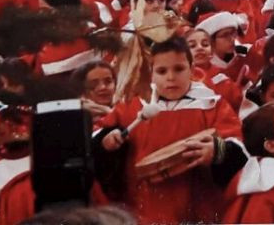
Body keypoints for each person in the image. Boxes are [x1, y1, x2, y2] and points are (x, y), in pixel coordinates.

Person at [95, 37, 246, 224]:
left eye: (179, 69)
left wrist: (217, 151)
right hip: (143, 205)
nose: (171, 77)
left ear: (192, 69)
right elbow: (99, 133)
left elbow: (237, 144)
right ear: (150, 73)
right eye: (162, 71)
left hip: (198, 204)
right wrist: (107, 140)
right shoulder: (132, 105)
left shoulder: (211, 104)